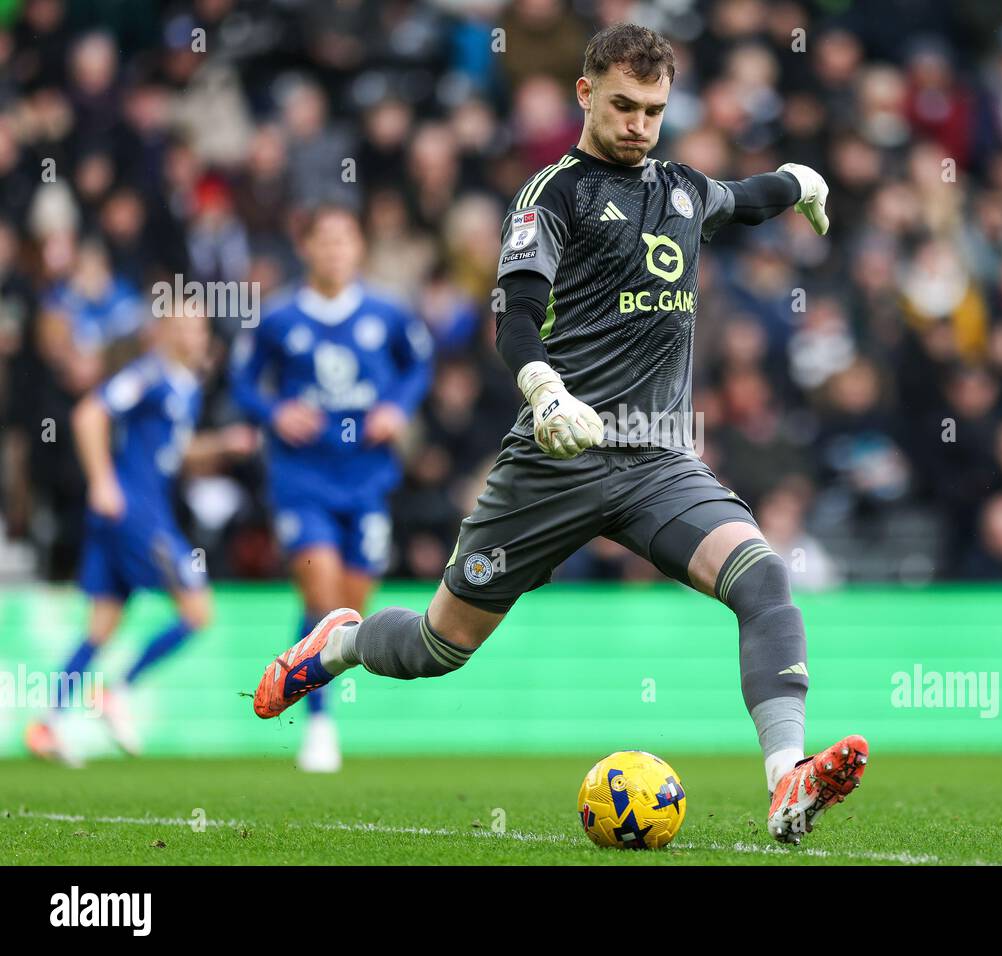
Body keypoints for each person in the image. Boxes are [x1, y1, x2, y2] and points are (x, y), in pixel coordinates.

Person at [250, 23, 865, 844]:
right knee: (440, 645)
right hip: (555, 460)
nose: (639, 124)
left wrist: (797, 180)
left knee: (763, 579)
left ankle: (784, 778)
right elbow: (513, 314)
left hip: (655, 463)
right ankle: (345, 643)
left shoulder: (681, 189)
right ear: (585, 94)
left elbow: (741, 198)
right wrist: (544, 391)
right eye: (622, 105)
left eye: (653, 109)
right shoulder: (554, 194)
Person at [231, 204, 433, 772]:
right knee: (323, 599)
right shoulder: (279, 319)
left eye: (345, 241)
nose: (335, 252)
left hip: (367, 476)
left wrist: (396, 408)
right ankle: (319, 724)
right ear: (307, 249)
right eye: (325, 242)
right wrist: (276, 412)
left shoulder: (386, 314)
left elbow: (419, 365)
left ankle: (304, 694)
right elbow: (243, 381)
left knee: (349, 612)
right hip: (302, 478)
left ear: (359, 249)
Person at [26, 308, 256, 765]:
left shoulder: (185, 387)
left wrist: (222, 444)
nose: (193, 335)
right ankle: (118, 690)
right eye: (184, 326)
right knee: (197, 610)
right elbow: (90, 414)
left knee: (100, 626)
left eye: (199, 326)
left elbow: (175, 450)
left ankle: (47, 725)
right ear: (164, 331)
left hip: (133, 513)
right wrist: (103, 481)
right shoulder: (148, 373)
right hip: (137, 514)